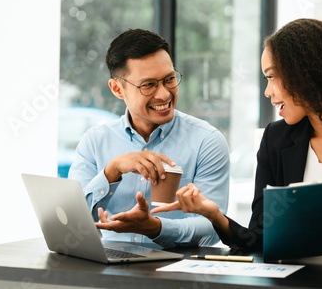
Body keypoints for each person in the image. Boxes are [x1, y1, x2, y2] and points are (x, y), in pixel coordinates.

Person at [152, 18, 322, 262]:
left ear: (308, 72)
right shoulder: (276, 139)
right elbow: (258, 240)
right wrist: (213, 215)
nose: (268, 92)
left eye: (272, 77)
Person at [68, 28, 230, 248]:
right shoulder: (94, 141)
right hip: (110, 273)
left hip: (177, 275)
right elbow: (72, 223)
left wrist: (156, 227)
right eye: (149, 85)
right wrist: (112, 170)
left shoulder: (207, 141)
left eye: (170, 79)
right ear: (117, 89)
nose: (164, 94)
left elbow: (213, 228)